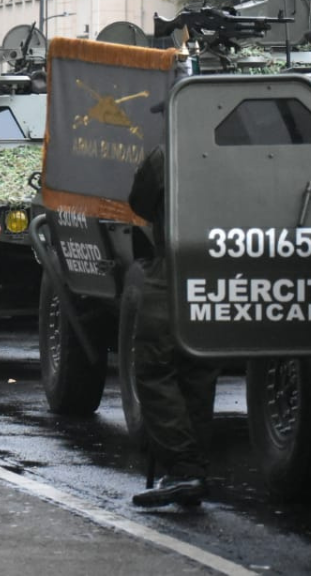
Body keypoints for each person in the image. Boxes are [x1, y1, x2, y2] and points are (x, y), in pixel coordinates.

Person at [127, 143, 220, 508]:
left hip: (176, 264)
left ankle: (184, 467)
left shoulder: (169, 149)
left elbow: (141, 202)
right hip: (224, 264)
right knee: (199, 367)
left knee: (153, 367)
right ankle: (192, 468)